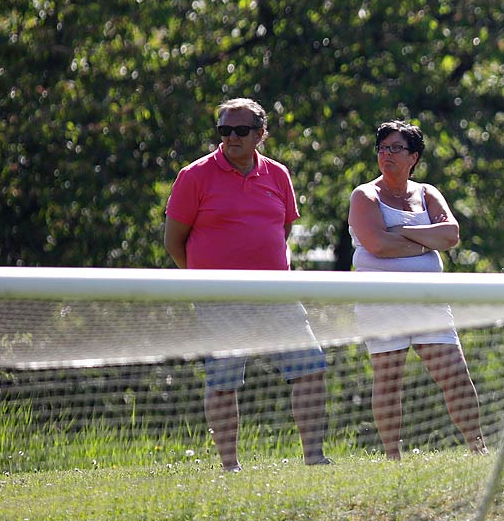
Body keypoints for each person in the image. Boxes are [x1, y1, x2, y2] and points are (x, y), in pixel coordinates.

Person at [164, 98, 328, 470]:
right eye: (224, 130)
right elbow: (174, 242)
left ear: (260, 134)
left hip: (277, 293)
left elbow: (283, 229)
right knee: (223, 381)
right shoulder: (194, 175)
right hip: (219, 297)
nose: (231, 137)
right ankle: (229, 466)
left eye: (240, 130)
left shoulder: (278, 174)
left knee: (311, 368)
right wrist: (207, 282)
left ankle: (315, 459)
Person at [347, 120, 484, 459]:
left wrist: (403, 233)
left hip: (429, 302)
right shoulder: (366, 195)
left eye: (395, 148)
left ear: (414, 157)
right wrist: (426, 239)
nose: (386, 155)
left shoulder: (427, 193)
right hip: (382, 304)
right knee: (389, 380)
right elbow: (377, 244)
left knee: (455, 374)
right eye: (382, 148)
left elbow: (450, 235)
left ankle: (478, 449)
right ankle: (393, 456)